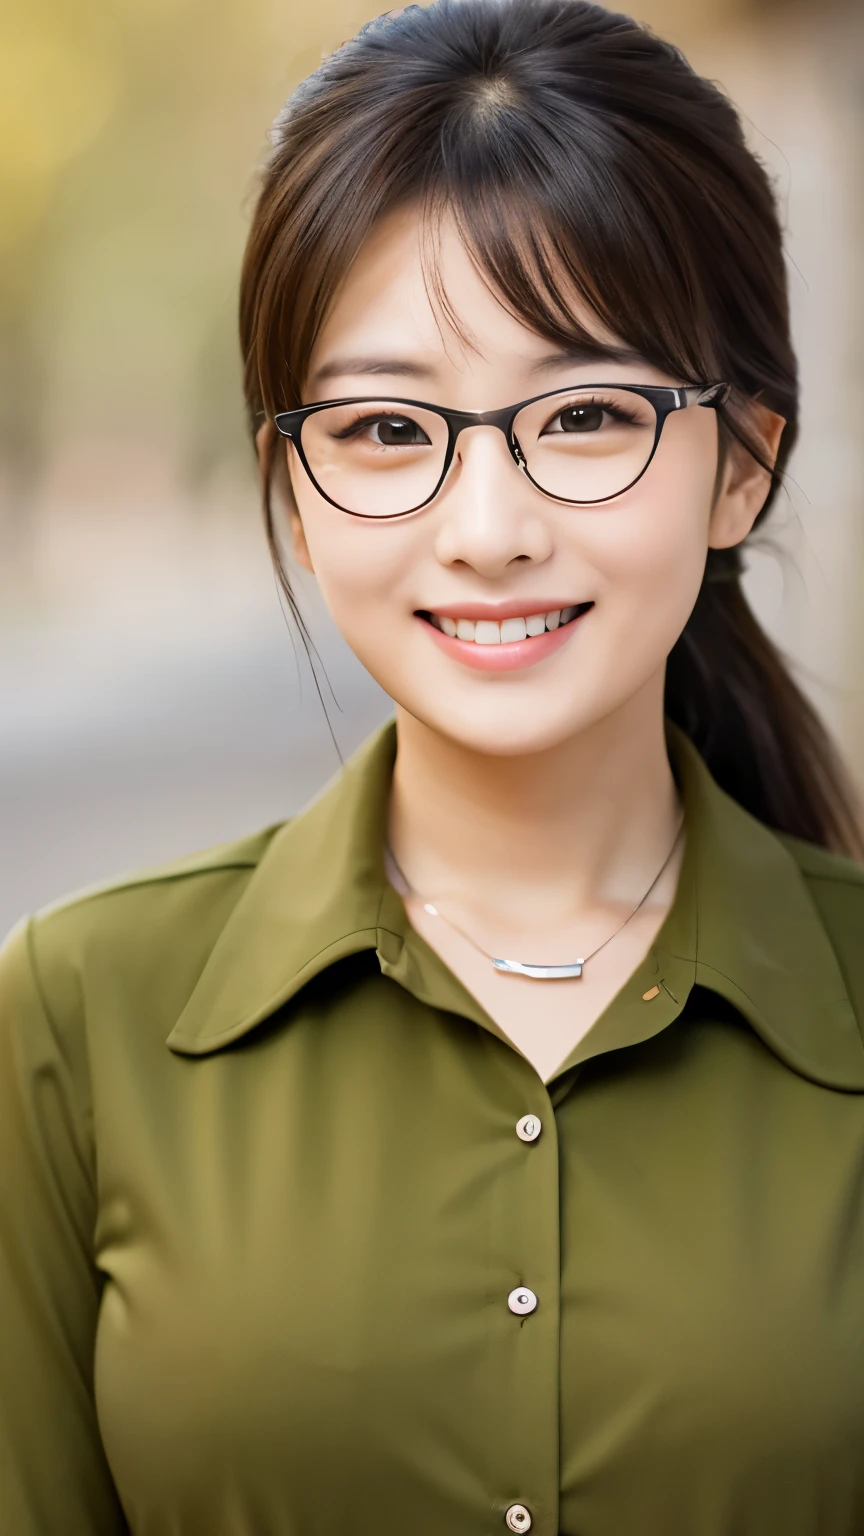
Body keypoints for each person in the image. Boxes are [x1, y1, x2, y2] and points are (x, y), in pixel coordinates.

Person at [3, 1, 864, 1531]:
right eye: (391, 429)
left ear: (741, 462)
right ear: (294, 487)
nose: (487, 528)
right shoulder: (79, 1015)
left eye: (588, 413)